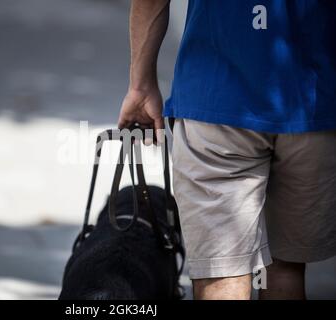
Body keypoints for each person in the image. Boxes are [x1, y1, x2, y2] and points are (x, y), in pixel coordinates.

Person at [118, 0, 336, 300]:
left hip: (215, 100)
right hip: (312, 104)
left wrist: (140, 85)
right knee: (286, 269)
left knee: (221, 272)